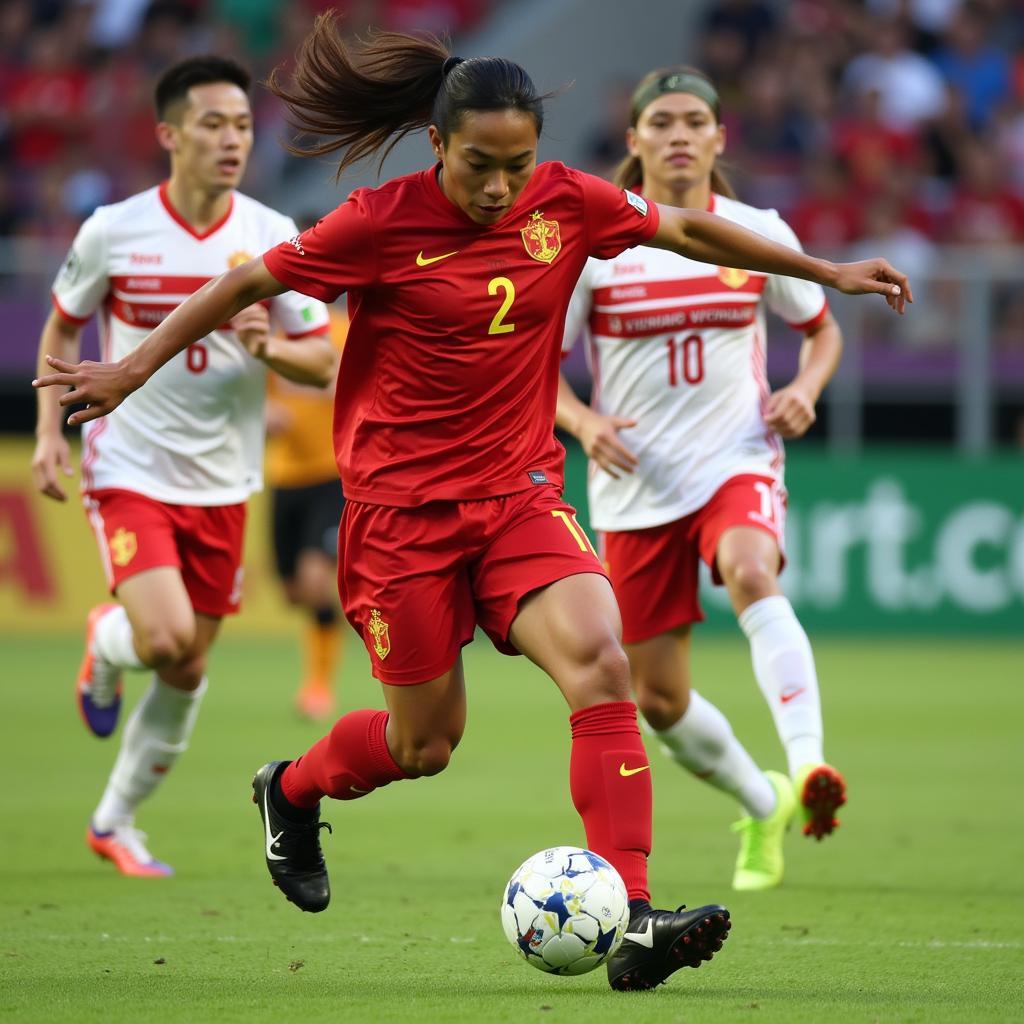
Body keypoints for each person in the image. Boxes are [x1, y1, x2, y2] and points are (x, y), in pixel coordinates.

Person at [34, 16, 910, 991]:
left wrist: (823, 272)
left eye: (518, 164)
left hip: (519, 496)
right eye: (480, 166)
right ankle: (289, 789)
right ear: (440, 144)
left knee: (602, 664)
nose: (500, 188)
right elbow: (249, 279)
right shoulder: (378, 221)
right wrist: (132, 367)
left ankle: (631, 914)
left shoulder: (565, 201)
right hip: (400, 518)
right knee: (424, 744)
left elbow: (691, 227)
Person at [30, 55, 335, 877]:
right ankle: (108, 634)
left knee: (188, 664)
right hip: (130, 465)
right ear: (169, 134)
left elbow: (323, 364)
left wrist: (273, 347)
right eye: (213, 123)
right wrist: (49, 430)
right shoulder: (113, 230)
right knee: (163, 637)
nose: (232, 139)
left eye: (241, 125)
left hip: (225, 481)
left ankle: (114, 822)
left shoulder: (272, 235)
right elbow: (63, 329)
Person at [557, 67, 849, 893]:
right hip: (635, 484)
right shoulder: (599, 250)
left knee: (752, 571)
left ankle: (809, 766)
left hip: (737, 458)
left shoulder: (758, 231)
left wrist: (803, 388)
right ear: (635, 139)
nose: (679, 135)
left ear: (721, 138)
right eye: (662, 121)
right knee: (656, 698)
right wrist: (583, 423)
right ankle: (763, 803)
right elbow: (538, 369)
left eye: (695, 121)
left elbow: (820, 332)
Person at [264, 304, 348, 720]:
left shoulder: (343, 332)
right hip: (285, 476)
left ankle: (317, 688)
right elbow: (254, 399)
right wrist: (263, 414)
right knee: (293, 591)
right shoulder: (270, 338)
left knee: (317, 582)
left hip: (333, 475)